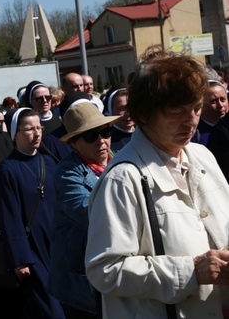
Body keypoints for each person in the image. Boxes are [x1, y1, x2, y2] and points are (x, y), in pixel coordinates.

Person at [86, 48, 229, 318]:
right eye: (176, 111)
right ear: (144, 114)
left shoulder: (202, 156)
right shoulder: (123, 178)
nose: (191, 120)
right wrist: (191, 271)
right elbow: (104, 270)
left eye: (196, 108)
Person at [47, 103, 119, 319]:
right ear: (74, 143)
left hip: (115, 271)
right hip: (82, 283)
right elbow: (91, 214)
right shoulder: (67, 173)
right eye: (91, 136)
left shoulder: (120, 161)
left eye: (105, 132)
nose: (101, 141)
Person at [0, 108, 64, 318]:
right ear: (15, 133)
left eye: (39, 128)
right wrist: (20, 258)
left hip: (57, 245)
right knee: (52, 309)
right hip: (32, 248)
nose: (37, 133)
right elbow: (10, 215)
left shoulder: (49, 162)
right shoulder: (8, 169)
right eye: (29, 129)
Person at [102, 83, 134, 152]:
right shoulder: (106, 139)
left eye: (131, 107)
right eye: (122, 108)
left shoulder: (146, 133)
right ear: (111, 110)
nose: (128, 113)